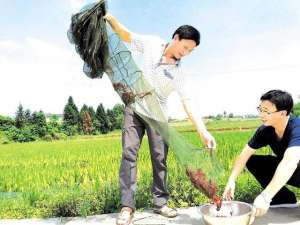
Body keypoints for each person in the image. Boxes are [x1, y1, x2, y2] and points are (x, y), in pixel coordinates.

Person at [104, 13, 216, 225]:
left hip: (159, 117)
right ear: (175, 38)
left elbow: (187, 102)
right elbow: (127, 36)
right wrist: (110, 20)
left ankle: (160, 203)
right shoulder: (152, 43)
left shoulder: (179, 74)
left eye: (191, 51)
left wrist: (203, 131)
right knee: (128, 154)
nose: (186, 53)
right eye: (185, 47)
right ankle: (127, 206)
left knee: (159, 159)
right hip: (135, 107)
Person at [223, 89, 300, 217]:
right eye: (260, 109)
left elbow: (290, 163)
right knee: (253, 161)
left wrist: (265, 196)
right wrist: (231, 180)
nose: (261, 115)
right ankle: (284, 199)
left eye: (267, 111)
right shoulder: (266, 130)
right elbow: (244, 155)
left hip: (294, 168)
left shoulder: (297, 128)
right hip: (295, 172)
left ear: (282, 113)